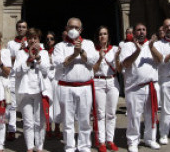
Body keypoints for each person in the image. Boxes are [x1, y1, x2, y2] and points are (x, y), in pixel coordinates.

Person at [52, 17, 99, 152]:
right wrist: (74, 55)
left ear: (81, 30)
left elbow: (91, 61)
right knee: (68, 120)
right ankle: (70, 146)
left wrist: (81, 51)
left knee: (84, 119)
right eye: (70, 27)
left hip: (84, 87)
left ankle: (84, 146)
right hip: (66, 87)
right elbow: (59, 64)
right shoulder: (60, 46)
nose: (73, 30)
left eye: (76, 28)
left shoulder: (89, 44)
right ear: (66, 29)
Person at [121, 23, 160, 152]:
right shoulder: (127, 46)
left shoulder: (152, 45)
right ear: (133, 33)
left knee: (151, 114)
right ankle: (133, 141)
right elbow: (125, 64)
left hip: (151, 86)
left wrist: (152, 47)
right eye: (138, 30)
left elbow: (160, 60)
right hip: (134, 87)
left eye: (143, 29)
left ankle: (150, 139)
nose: (141, 32)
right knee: (134, 116)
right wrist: (137, 51)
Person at [13, 28, 50, 152]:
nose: (32, 41)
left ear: (39, 40)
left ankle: (39, 146)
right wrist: (28, 59)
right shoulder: (20, 53)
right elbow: (17, 72)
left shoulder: (44, 53)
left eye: (35, 38)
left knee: (39, 121)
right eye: (30, 38)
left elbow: (46, 71)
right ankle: (29, 147)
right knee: (28, 122)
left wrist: (38, 57)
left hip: (39, 90)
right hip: (26, 90)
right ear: (27, 40)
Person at [93, 26, 120, 151]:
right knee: (100, 113)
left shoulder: (114, 49)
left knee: (111, 113)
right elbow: (92, 69)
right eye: (100, 34)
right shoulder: (93, 50)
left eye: (104, 33)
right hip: (98, 81)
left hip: (112, 81)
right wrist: (99, 57)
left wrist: (118, 57)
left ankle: (110, 140)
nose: (102, 36)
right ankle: (101, 141)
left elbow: (119, 69)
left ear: (108, 36)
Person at [6, 19, 29, 141]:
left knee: (26, 104)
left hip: (25, 77)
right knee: (12, 105)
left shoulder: (30, 42)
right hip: (13, 76)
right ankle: (11, 129)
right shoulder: (11, 44)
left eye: (23, 27)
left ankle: (27, 130)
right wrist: (19, 52)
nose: (21, 29)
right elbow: (7, 59)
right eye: (19, 26)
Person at [44, 31, 62, 139]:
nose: (49, 41)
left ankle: (57, 127)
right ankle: (48, 127)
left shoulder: (58, 51)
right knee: (48, 103)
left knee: (57, 104)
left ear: (55, 40)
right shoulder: (43, 52)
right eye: (47, 39)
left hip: (56, 79)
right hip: (46, 80)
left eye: (51, 39)